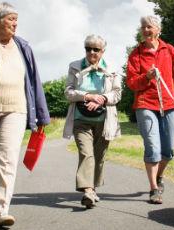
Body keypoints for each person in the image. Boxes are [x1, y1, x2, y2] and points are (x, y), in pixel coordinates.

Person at [0, 2, 50, 226]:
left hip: (17, 109)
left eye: (16, 19)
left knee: (6, 157)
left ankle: (0, 209)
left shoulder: (23, 46)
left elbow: (34, 81)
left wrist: (42, 116)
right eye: (10, 19)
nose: (16, 23)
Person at [126, 15, 174, 204]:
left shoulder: (169, 50)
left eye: (149, 27)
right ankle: (154, 188)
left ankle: (160, 176)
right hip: (146, 104)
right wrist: (146, 77)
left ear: (158, 29)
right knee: (153, 148)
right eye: (143, 27)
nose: (146, 30)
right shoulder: (136, 54)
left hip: (170, 105)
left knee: (169, 149)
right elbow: (131, 83)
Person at [62, 34, 122, 208]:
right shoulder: (74, 66)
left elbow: (117, 94)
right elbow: (68, 92)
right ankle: (87, 190)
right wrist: (87, 96)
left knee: (99, 156)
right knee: (86, 153)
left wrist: (101, 98)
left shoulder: (112, 68)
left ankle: (93, 188)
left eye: (96, 49)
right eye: (88, 48)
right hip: (80, 120)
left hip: (105, 120)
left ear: (103, 51)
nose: (92, 52)